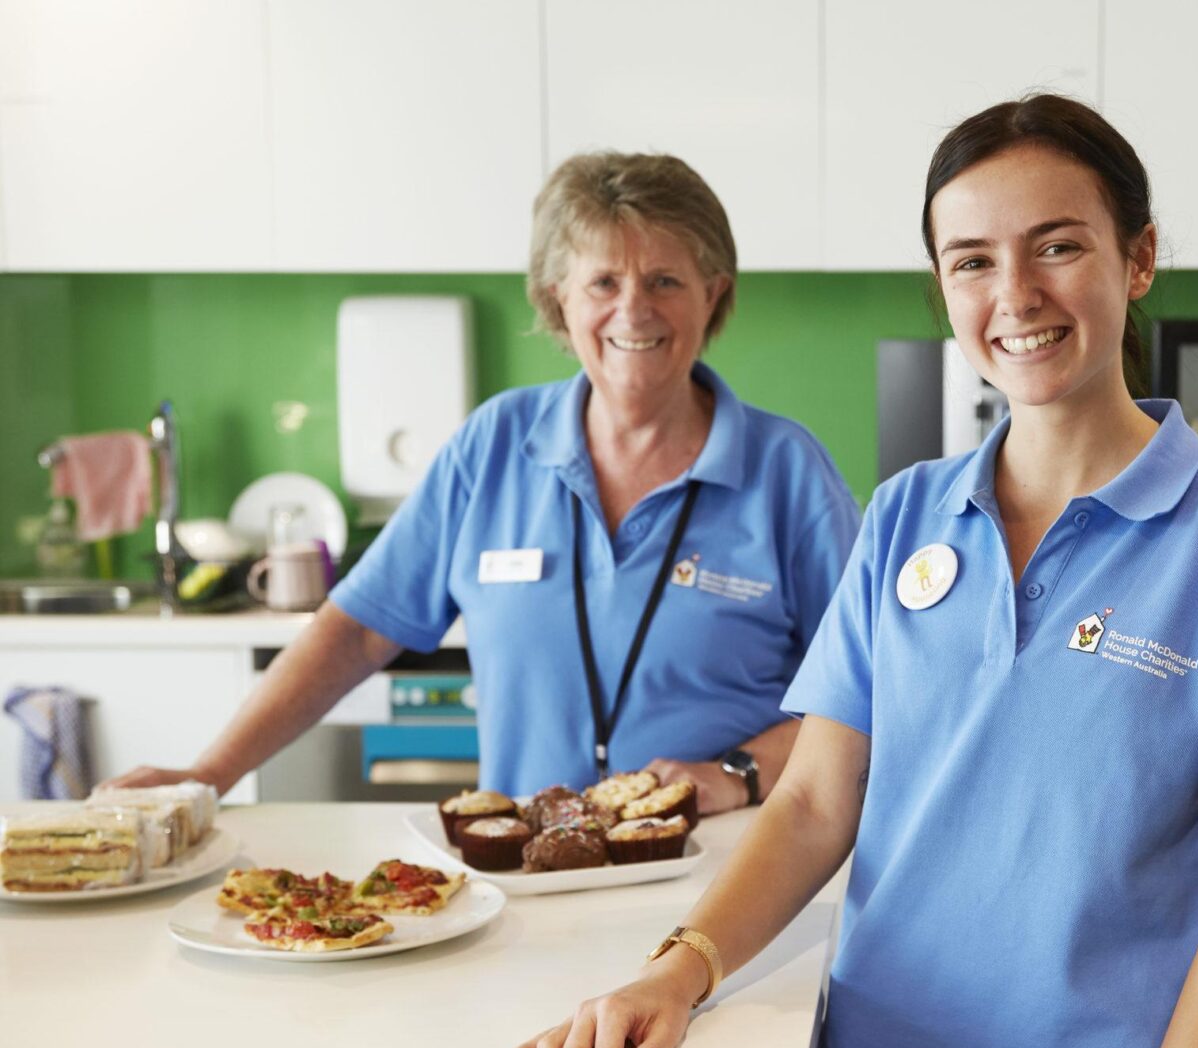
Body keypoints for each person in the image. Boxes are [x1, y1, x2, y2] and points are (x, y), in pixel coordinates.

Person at [500, 95, 1198, 1048]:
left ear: (1140, 257)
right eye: (973, 261)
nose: (1017, 294)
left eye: (1060, 247)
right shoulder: (907, 512)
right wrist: (677, 973)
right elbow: (818, 803)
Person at [104, 152, 860, 814]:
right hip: (529, 866)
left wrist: (736, 773)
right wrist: (208, 773)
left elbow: (865, 695)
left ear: (713, 294)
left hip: (725, 871)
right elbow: (359, 631)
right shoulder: (495, 445)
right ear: (557, 297)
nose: (634, 309)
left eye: (664, 279)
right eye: (603, 281)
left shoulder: (788, 472)